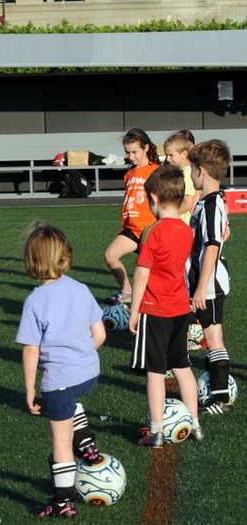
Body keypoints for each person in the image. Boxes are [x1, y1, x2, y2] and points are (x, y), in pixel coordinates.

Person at [16, 221, 105, 518]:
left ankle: (63, 500)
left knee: (60, 441)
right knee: (70, 400)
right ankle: (87, 443)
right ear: (66, 255)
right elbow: (100, 334)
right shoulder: (81, 288)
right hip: (89, 373)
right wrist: (82, 356)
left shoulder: (34, 301)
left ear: (32, 261)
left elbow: (31, 350)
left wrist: (29, 389)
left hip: (59, 381)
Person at [129, 165, 204, 446]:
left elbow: (141, 273)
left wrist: (134, 309)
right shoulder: (186, 231)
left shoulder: (153, 232)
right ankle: (195, 423)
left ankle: (157, 429)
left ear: (154, 199)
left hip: (155, 309)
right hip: (180, 308)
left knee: (155, 372)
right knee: (182, 366)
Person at [187, 139, 233, 416]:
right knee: (208, 335)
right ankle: (213, 392)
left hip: (209, 286)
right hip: (201, 282)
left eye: (192, 169)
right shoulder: (209, 202)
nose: (191, 174)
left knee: (213, 337)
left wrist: (201, 287)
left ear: (201, 171)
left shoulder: (212, 204)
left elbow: (212, 246)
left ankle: (220, 398)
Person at [103, 128, 161, 305]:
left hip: (149, 229)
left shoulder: (157, 171)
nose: (130, 156)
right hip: (131, 229)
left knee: (151, 272)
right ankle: (127, 290)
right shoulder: (129, 173)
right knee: (110, 255)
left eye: (134, 152)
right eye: (127, 153)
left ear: (146, 148)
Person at [162, 130, 198, 222]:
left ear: (184, 154)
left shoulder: (187, 174)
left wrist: (169, 216)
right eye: (166, 155)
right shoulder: (181, 172)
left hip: (183, 223)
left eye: (171, 155)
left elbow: (188, 202)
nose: (167, 159)